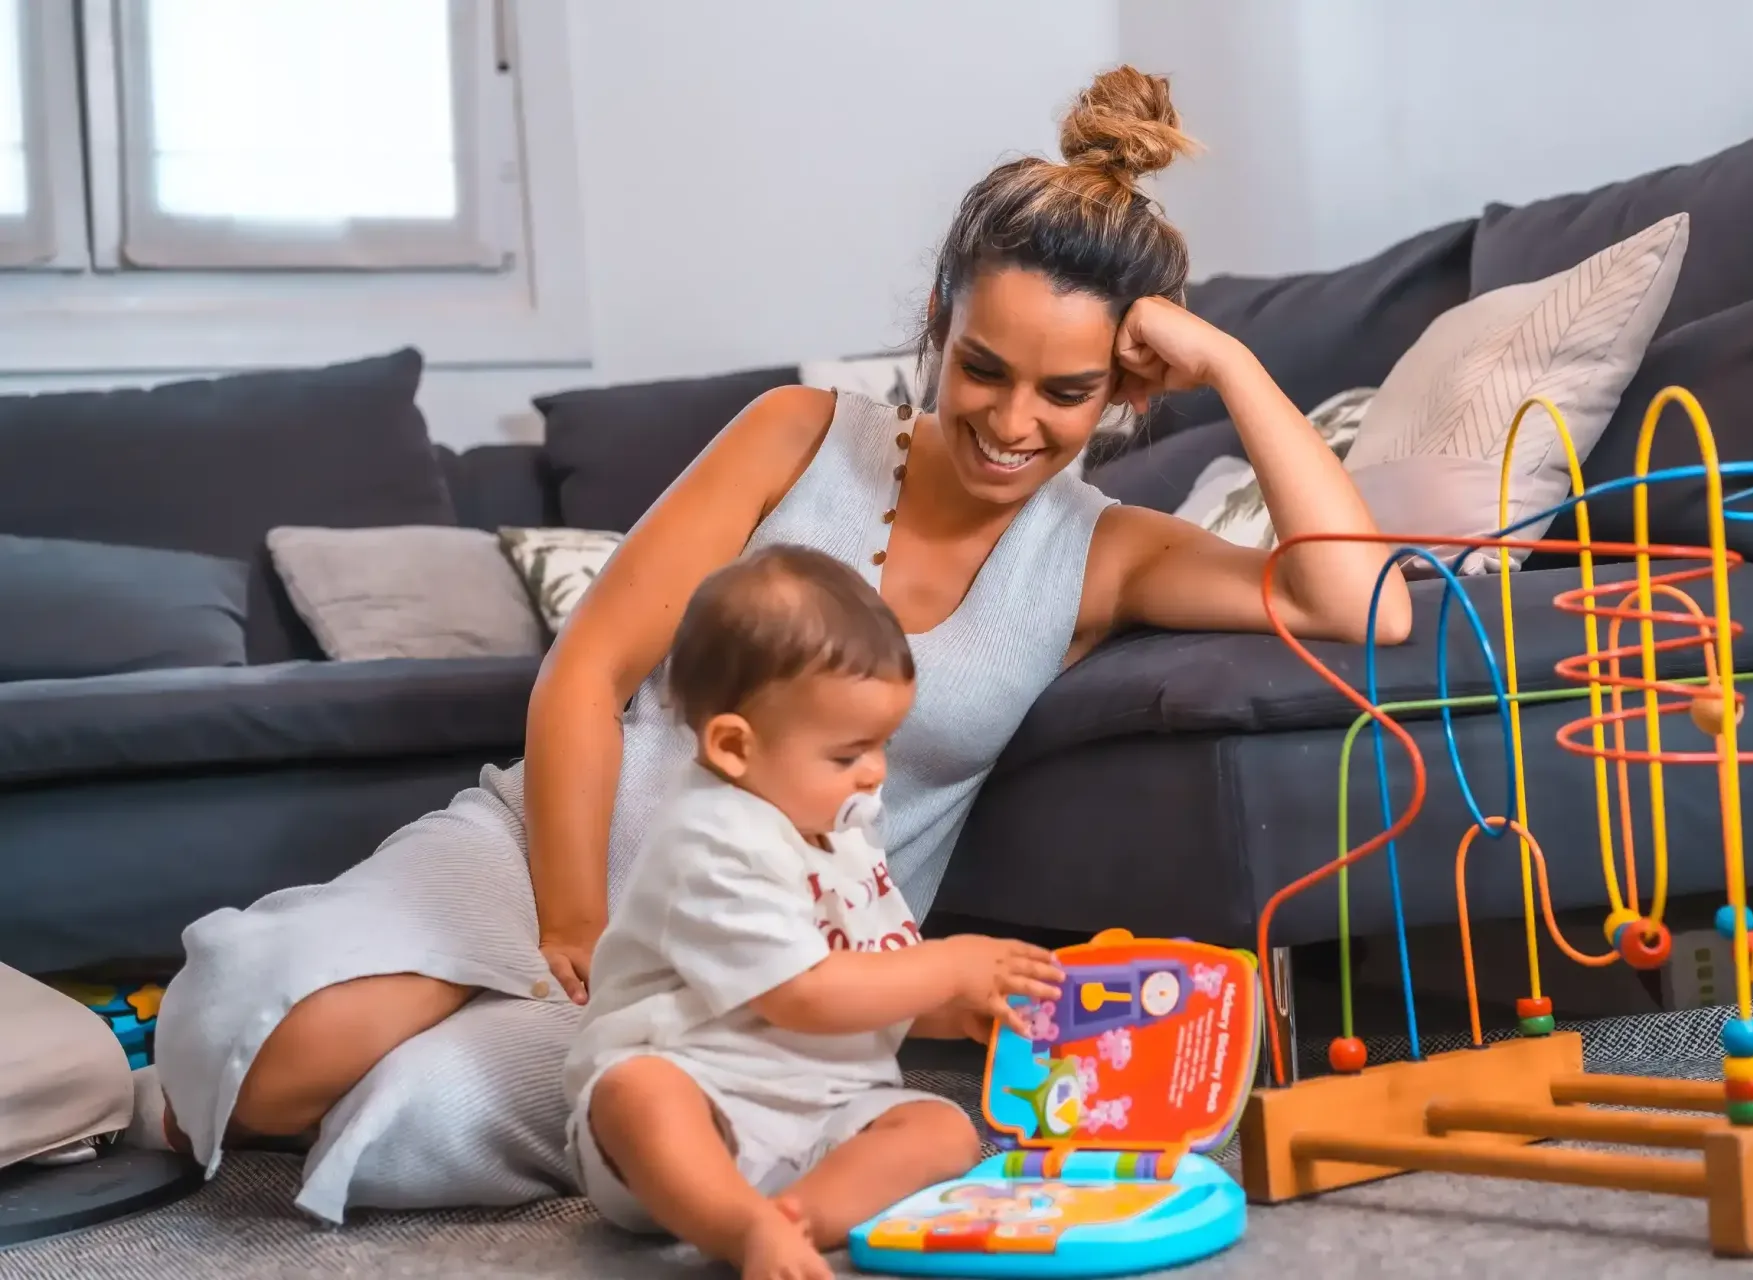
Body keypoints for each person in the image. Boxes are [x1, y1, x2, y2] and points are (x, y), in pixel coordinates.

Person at [143, 64, 1410, 1221]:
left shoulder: (1110, 553)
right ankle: (228, 1044)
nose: (1013, 422)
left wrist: (1233, 361)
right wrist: (571, 927)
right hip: (559, 853)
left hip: (757, 970)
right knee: (285, 1050)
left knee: (421, 1105)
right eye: (983, 367)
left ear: (1124, 390)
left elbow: (1368, 605)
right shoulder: (796, 432)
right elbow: (587, 670)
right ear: (936, 319)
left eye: (1066, 391)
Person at [569, 544, 1064, 1280]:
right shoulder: (712, 841)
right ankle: (734, 1223)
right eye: (848, 753)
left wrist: (943, 1009)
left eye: (883, 743)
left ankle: (794, 1219)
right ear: (735, 746)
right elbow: (801, 993)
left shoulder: (840, 824)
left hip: (829, 1105)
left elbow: (866, 974)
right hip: (706, 1090)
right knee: (635, 1095)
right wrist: (948, 965)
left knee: (943, 1130)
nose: (876, 772)